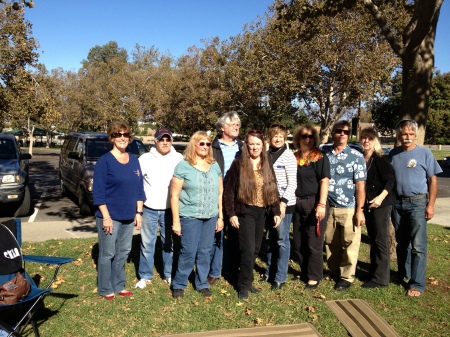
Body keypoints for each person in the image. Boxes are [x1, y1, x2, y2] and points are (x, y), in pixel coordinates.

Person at [223, 130, 281, 300]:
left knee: (255, 249)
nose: (254, 147)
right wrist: (231, 213)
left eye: (258, 144)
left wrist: (276, 211)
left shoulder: (266, 162)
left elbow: (273, 187)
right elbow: (229, 192)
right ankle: (243, 286)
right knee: (247, 250)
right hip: (245, 212)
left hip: (262, 212)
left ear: (262, 146)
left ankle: (247, 280)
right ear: (246, 145)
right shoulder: (239, 164)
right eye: (251, 144)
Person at [93, 121, 145, 300]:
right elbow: (98, 193)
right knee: (108, 253)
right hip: (110, 216)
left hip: (129, 216)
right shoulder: (104, 161)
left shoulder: (134, 161)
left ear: (129, 138)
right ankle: (105, 288)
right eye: (117, 134)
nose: (122, 138)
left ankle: (119, 285)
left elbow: (140, 189)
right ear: (112, 138)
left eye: (125, 134)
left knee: (123, 251)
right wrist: (106, 217)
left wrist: (139, 213)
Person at [390, 119, 442, 297]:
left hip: (418, 203)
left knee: (418, 246)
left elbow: (432, 180)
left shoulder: (424, 153)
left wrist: (431, 205)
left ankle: (417, 284)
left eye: (411, 134)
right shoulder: (393, 154)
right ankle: (403, 273)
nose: (408, 137)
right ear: (399, 135)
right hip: (397, 204)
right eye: (404, 134)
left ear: (416, 135)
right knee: (401, 243)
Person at [170, 131, 223, 298]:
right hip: (190, 216)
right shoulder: (183, 165)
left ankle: (201, 283)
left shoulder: (214, 165)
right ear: (194, 144)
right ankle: (179, 283)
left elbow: (220, 192)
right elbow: (174, 195)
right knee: (188, 251)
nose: (205, 147)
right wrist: (176, 221)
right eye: (202, 143)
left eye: (208, 144)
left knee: (205, 251)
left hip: (210, 216)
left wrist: (220, 216)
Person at [135, 127, 183, 289]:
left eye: (167, 139)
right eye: (161, 139)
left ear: (171, 141)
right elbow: (138, 185)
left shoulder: (179, 158)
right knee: (146, 244)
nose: (164, 142)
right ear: (155, 141)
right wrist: (138, 210)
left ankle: (168, 274)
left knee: (168, 243)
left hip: (170, 209)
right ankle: (145, 275)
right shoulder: (145, 159)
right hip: (149, 208)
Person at [323, 120, 366, 291]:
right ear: (333, 133)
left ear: (349, 135)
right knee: (330, 242)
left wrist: (359, 211)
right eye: (339, 131)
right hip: (328, 206)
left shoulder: (356, 156)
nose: (342, 134)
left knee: (350, 243)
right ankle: (334, 271)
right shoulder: (324, 153)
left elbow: (360, 185)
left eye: (346, 132)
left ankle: (346, 276)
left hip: (348, 206)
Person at [291, 124, 330, 290]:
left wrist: (321, 204)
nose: (307, 139)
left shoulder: (319, 157)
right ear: (298, 138)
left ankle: (314, 276)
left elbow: (324, 181)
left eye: (310, 136)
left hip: (314, 202)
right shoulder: (294, 157)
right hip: (297, 202)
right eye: (304, 136)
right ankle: (305, 270)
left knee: (313, 242)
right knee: (299, 242)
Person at [260, 124, 297, 290]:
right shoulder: (265, 155)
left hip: (284, 204)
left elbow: (292, 183)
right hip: (268, 204)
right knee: (269, 238)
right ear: (269, 137)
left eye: (281, 136)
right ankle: (269, 271)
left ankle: (280, 276)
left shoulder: (288, 156)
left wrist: (283, 203)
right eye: (275, 136)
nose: (278, 139)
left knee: (282, 240)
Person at [208, 111, 243, 285]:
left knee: (236, 236)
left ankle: (232, 269)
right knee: (217, 234)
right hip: (218, 195)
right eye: (232, 124)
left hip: (238, 197)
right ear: (222, 128)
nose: (236, 127)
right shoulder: (213, 147)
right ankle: (214, 271)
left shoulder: (242, 146)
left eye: (238, 124)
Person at [359, 127, 396, 288]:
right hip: (368, 203)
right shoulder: (361, 158)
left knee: (381, 240)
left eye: (370, 138)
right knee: (374, 239)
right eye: (364, 138)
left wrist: (380, 199)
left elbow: (390, 180)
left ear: (375, 141)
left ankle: (381, 278)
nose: (366, 141)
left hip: (381, 204)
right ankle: (373, 271)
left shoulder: (381, 159)